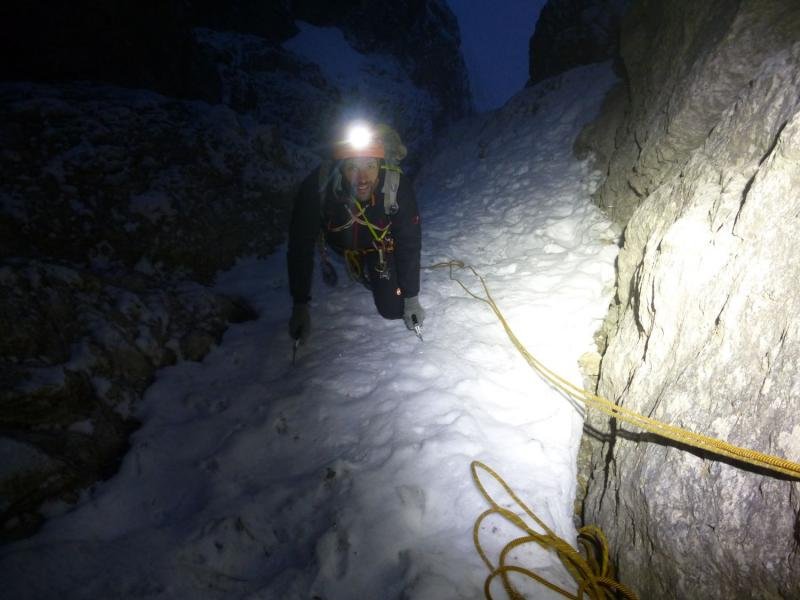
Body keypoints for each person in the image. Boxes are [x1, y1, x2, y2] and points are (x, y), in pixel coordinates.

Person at [287, 122, 425, 344]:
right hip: (343, 247)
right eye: (352, 167)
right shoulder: (318, 186)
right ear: (340, 167)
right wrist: (300, 304)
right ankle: (361, 266)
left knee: (394, 308)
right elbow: (300, 244)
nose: (362, 179)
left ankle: (370, 269)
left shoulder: (396, 186)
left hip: (379, 248)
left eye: (370, 166)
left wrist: (411, 298)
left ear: (380, 165)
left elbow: (408, 241)